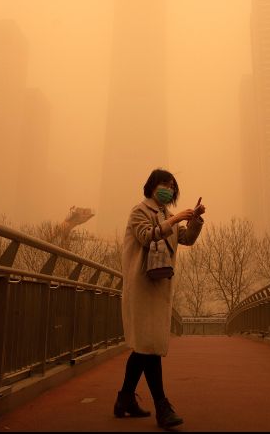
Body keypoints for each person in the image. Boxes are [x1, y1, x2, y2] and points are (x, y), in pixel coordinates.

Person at [114, 168, 206, 429]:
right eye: (164, 184)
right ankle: (162, 407)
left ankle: (124, 400)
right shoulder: (139, 211)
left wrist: (194, 220)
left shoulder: (166, 215)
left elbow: (185, 239)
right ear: (152, 186)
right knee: (149, 347)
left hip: (160, 286)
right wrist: (176, 219)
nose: (168, 189)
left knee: (145, 346)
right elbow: (146, 236)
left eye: (172, 186)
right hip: (142, 287)